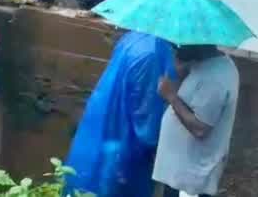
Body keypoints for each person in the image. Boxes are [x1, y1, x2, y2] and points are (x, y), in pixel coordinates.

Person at [63, 32, 175, 197]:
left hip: (100, 133)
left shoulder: (133, 38)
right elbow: (146, 120)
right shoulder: (155, 53)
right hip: (123, 153)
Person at [154, 44, 240, 197]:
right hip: (182, 171)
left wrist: (171, 96)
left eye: (180, 46)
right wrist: (183, 73)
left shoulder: (215, 78)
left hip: (190, 180)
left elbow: (200, 128)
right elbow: (194, 100)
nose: (177, 49)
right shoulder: (209, 65)